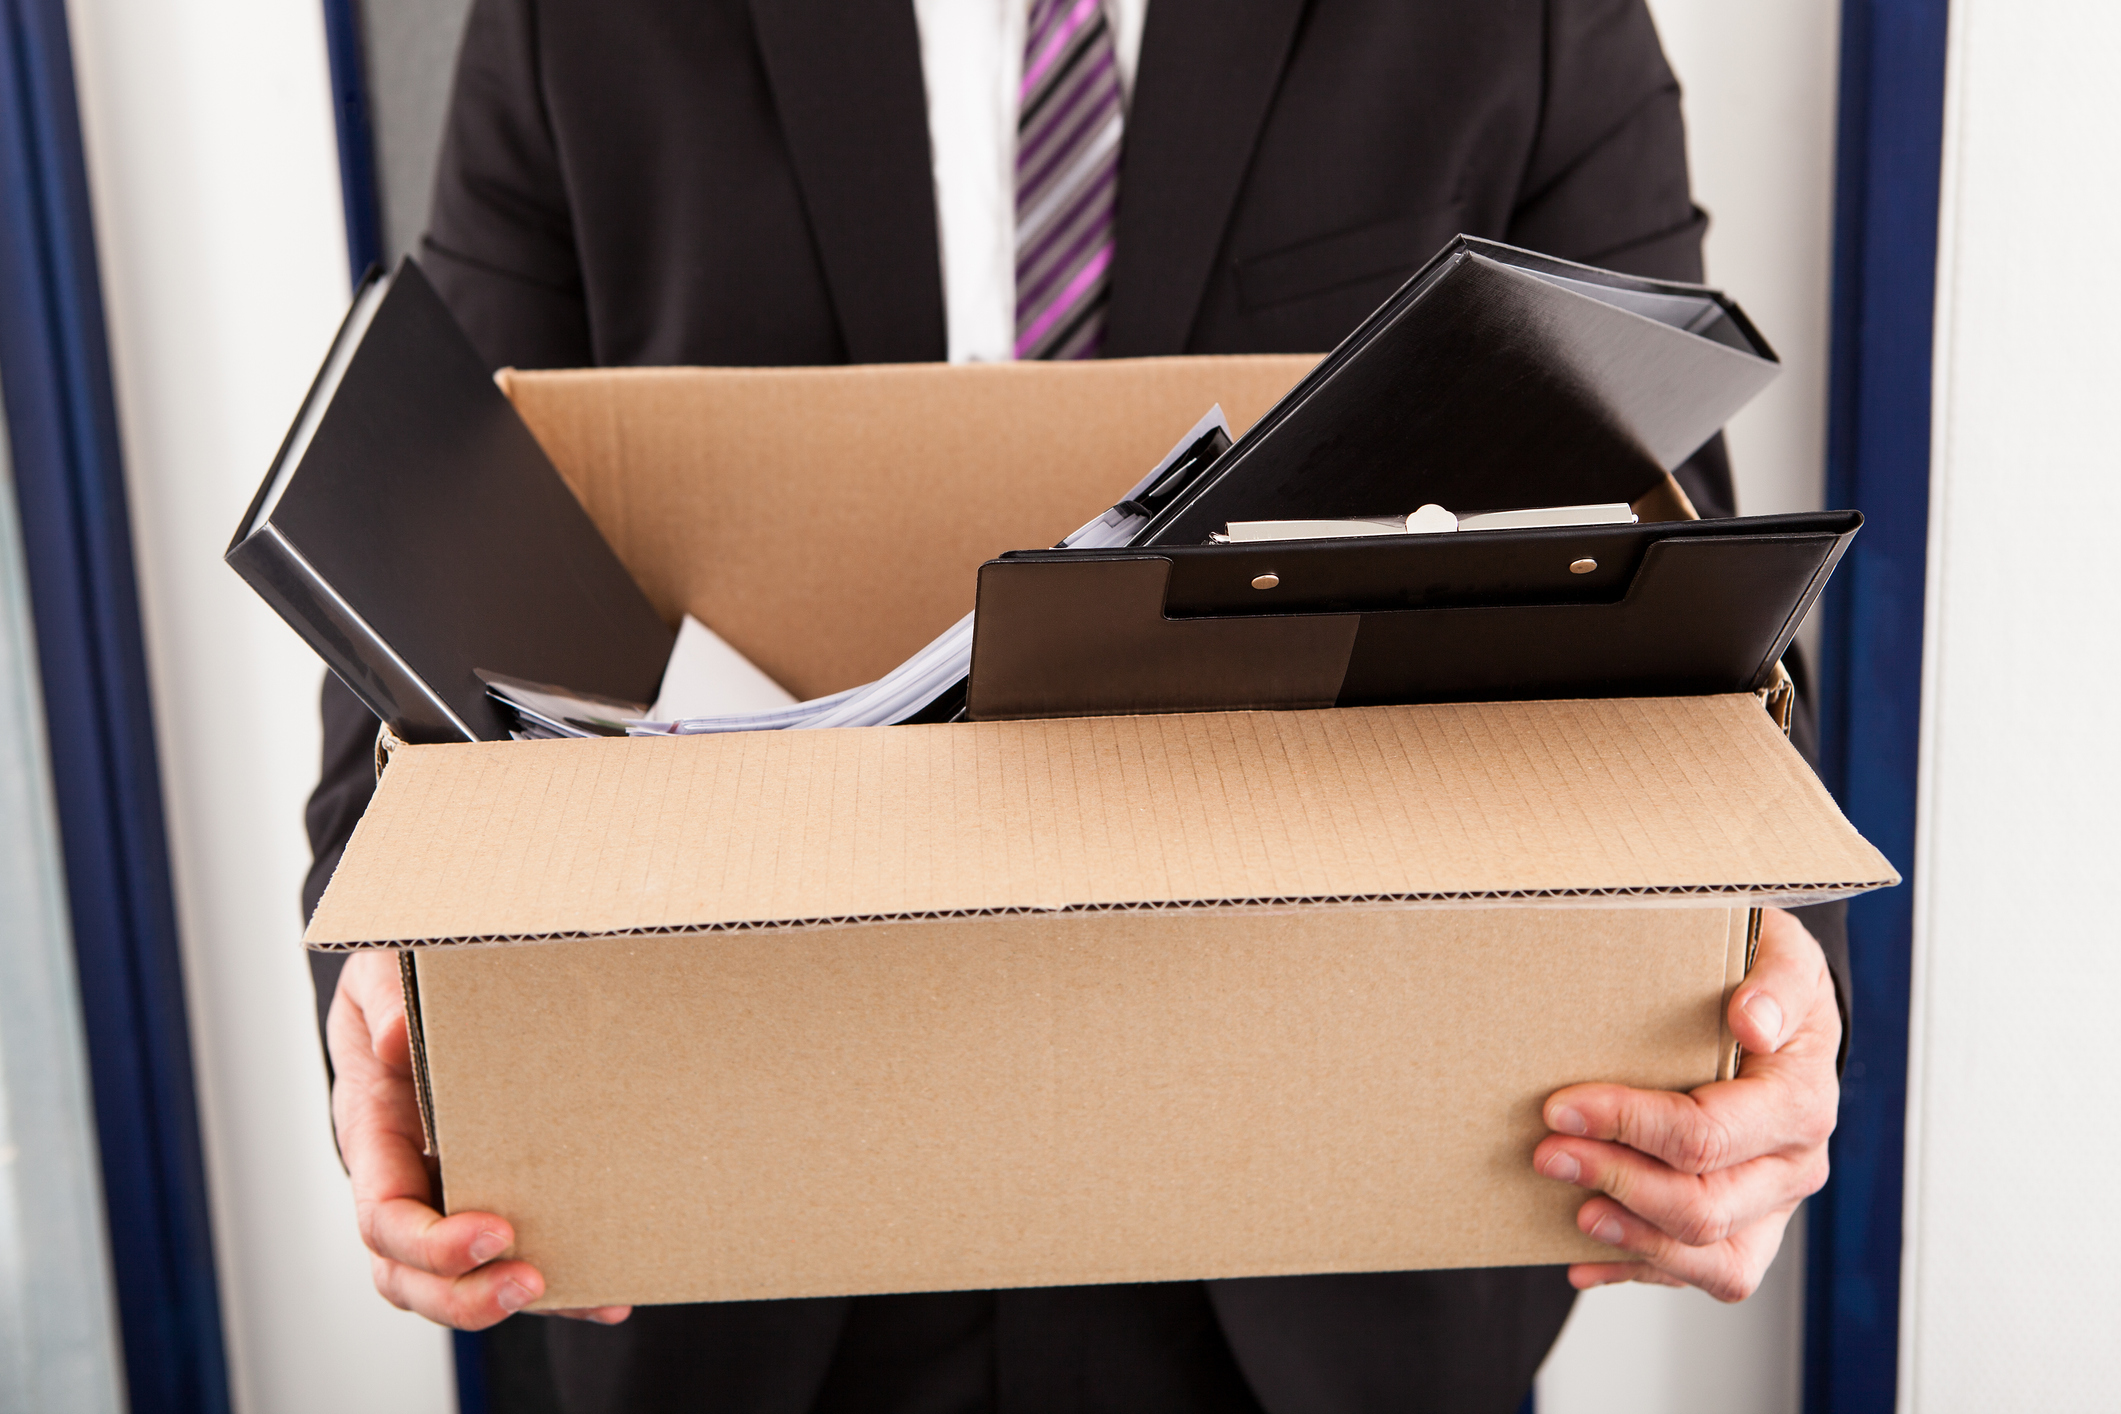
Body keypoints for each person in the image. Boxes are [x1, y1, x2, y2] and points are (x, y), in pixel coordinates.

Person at [307, 2, 1852, 1410]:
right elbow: (439, 525)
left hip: (1331, 1210)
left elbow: (1676, 589)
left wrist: (1771, 982)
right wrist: (383, 967)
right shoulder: (572, 31)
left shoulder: (1521, 19)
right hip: (757, 1198)